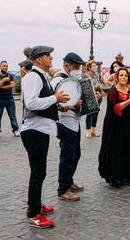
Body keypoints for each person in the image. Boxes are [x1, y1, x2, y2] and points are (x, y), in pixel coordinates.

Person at [21, 46, 70, 228]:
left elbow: (45, 101)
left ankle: (35, 204)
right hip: (34, 129)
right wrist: (55, 98)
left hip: (41, 129)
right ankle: (33, 212)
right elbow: (32, 102)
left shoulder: (42, 76)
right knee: (37, 172)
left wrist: (58, 105)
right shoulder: (33, 77)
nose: (51, 58)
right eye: (47, 55)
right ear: (38, 59)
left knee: (39, 171)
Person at [98, 67, 130, 188]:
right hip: (115, 124)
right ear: (117, 78)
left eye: (126, 76)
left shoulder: (129, 90)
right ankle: (115, 177)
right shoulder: (113, 91)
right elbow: (116, 107)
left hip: (127, 123)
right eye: (121, 75)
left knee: (129, 146)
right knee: (116, 148)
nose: (123, 77)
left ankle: (129, 175)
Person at [50, 53, 86, 201]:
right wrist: (71, 104)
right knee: (67, 156)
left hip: (74, 121)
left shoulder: (72, 79)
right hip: (65, 122)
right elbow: (54, 100)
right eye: (76, 67)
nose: (78, 69)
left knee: (75, 154)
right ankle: (62, 189)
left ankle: (69, 181)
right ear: (67, 65)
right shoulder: (58, 80)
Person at [0, 61, 20, 138]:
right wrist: (3, 81)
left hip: (9, 98)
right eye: (4, 66)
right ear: (0, 66)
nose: (5, 67)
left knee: (12, 115)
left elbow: (12, 85)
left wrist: (1, 86)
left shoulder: (10, 75)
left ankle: (15, 130)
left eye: (6, 66)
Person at [83, 61, 104, 138]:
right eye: (94, 66)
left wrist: (101, 86)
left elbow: (101, 83)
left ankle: (93, 130)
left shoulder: (97, 75)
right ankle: (88, 131)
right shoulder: (85, 76)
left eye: (96, 66)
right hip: (90, 98)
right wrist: (95, 87)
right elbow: (85, 88)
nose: (96, 67)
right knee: (89, 114)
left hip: (98, 97)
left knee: (96, 113)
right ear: (89, 67)